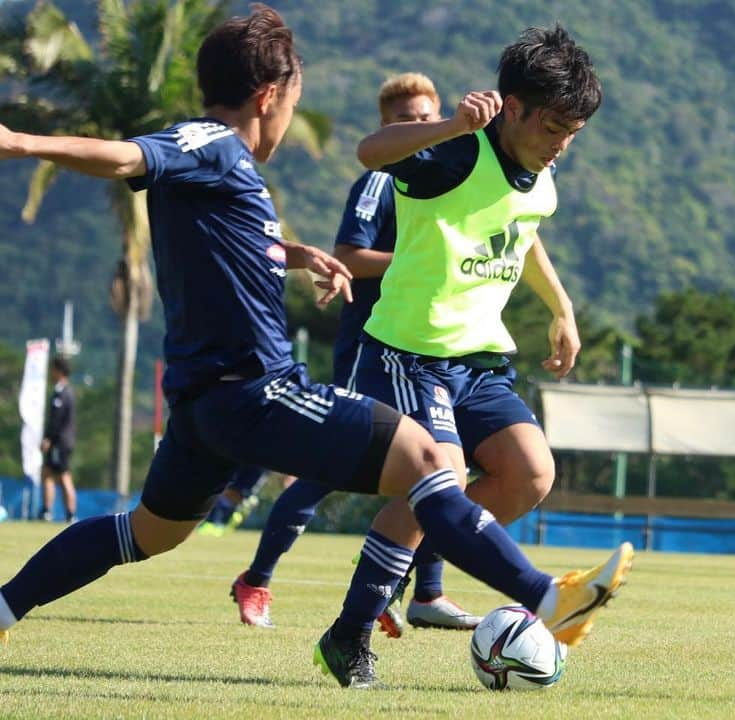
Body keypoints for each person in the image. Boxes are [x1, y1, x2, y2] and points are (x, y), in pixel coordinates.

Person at [0, 5, 633, 690]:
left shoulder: (228, 167)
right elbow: (133, 154)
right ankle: (544, 597)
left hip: (204, 404)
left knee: (145, 534)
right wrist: (22, 143)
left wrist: (294, 254)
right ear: (271, 97)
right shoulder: (210, 142)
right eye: (294, 99)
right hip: (258, 390)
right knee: (426, 461)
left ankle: (3, 607)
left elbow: (228, 245)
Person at [326, 23, 599, 680]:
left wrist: (559, 307)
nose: (561, 142)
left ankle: (381, 590)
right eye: (554, 126)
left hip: (477, 360)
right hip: (409, 353)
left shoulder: (540, 169)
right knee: (439, 480)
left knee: (530, 474)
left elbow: (522, 232)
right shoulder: (454, 154)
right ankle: (362, 630)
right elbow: (370, 150)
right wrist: (447, 124)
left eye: (573, 132)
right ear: (514, 108)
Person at [231, 72, 481, 635]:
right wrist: (422, 265)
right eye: (403, 122)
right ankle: (258, 578)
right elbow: (350, 252)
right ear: (384, 127)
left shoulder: (444, 175)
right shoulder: (382, 179)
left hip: (426, 349)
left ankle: (424, 592)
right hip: (374, 347)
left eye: (424, 118)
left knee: (447, 463)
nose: (417, 128)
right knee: (325, 471)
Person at [39, 356, 77, 523]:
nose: (51, 373)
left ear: (59, 371)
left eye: (53, 369)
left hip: (59, 442)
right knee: (50, 473)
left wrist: (48, 438)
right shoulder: (67, 391)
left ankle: (61, 512)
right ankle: (53, 511)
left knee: (61, 475)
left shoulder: (61, 393)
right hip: (64, 442)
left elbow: (56, 419)